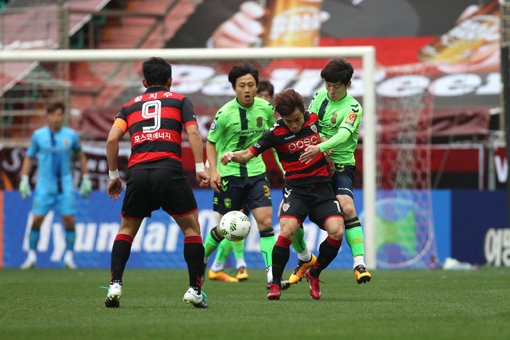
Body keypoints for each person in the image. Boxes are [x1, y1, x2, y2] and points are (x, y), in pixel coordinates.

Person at [104, 57, 210, 308]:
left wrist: (113, 177)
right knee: (192, 229)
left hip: (138, 172)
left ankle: (115, 285)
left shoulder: (129, 106)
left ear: (144, 82)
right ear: (170, 81)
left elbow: (111, 140)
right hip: (169, 170)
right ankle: (195, 290)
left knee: (127, 229)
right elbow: (193, 132)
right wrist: (199, 167)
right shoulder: (180, 100)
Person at [221, 89, 345, 300]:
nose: (294, 125)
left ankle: (313, 274)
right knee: (286, 231)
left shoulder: (314, 119)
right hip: (296, 191)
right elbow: (248, 154)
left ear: (302, 111)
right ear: (280, 117)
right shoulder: (274, 133)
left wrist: (326, 151)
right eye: (289, 121)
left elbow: (325, 136)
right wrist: (231, 155)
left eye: (297, 119)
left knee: (337, 232)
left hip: (322, 189)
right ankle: (275, 284)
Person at [296, 58, 372, 284]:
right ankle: (303, 257)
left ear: (347, 84)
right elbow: (309, 124)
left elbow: (344, 135)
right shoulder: (319, 97)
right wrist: (320, 145)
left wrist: (320, 146)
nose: (330, 90)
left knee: (347, 207)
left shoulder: (353, 107)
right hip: (316, 161)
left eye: (335, 86)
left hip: (340, 165)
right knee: (290, 212)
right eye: (327, 85)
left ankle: (359, 263)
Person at [204, 62, 277, 287]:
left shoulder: (265, 109)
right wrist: (213, 171)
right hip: (230, 176)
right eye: (242, 85)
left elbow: (276, 135)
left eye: (251, 85)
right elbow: (211, 142)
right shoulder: (225, 113)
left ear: (257, 87)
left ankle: (272, 274)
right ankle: (202, 257)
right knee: (227, 228)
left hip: (256, 173)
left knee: (265, 221)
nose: (247, 89)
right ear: (234, 88)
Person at [19, 102, 92, 269]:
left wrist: (86, 178)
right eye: (54, 115)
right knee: (37, 219)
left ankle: (69, 257)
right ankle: (31, 256)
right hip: (44, 186)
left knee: (69, 220)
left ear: (63, 116)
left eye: (60, 115)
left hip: (65, 186)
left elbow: (80, 155)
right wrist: (24, 179)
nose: (57, 118)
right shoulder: (38, 136)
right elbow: (29, 157)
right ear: (48, 116)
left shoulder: (71, 136)